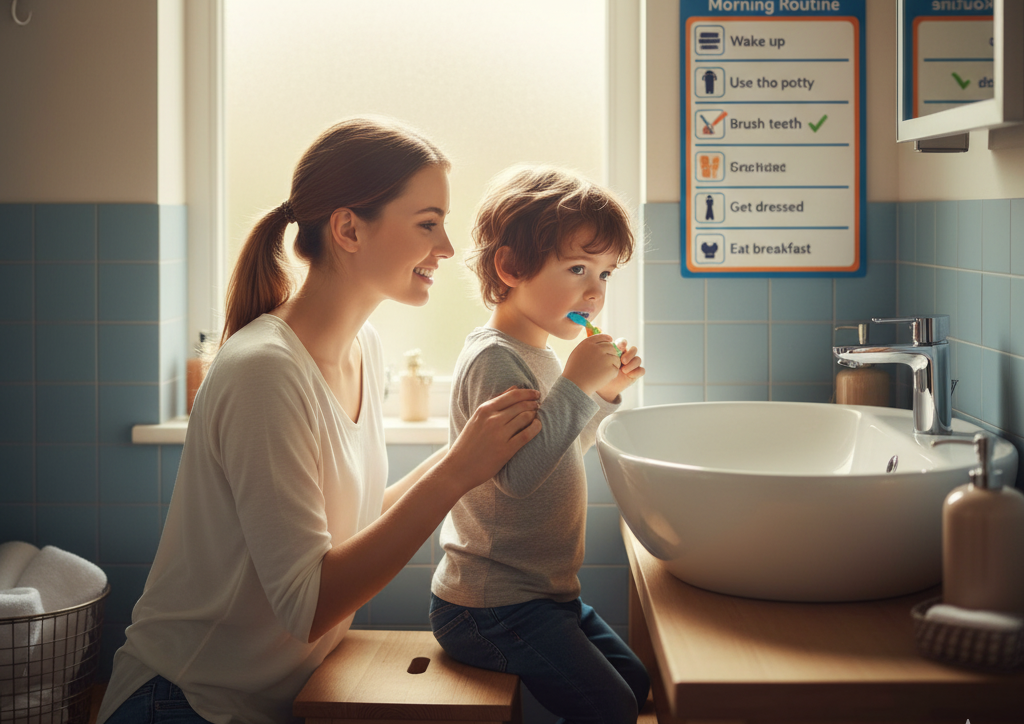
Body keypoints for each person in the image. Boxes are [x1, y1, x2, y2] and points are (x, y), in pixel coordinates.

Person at [96, 118, 542, 724]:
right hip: (185, 701)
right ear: (348, 228)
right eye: (428, 223)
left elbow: (350, 524)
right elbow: (308, 605)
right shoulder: (265, 372)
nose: (445, 248)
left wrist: (463, 453)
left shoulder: (364, 349)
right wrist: (456, 472)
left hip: (279, 698)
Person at [428, 165, 650, 723]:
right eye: (577, 268)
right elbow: (520, 477)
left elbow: (559, 451)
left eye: (605, 273)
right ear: (511, 267)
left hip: (546, 596)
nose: (594, 291)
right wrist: (577, 385)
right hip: (490, 607)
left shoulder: (542, 353)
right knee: (612, 708)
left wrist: (602, 396)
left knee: (636, 682)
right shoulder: (494, 359)